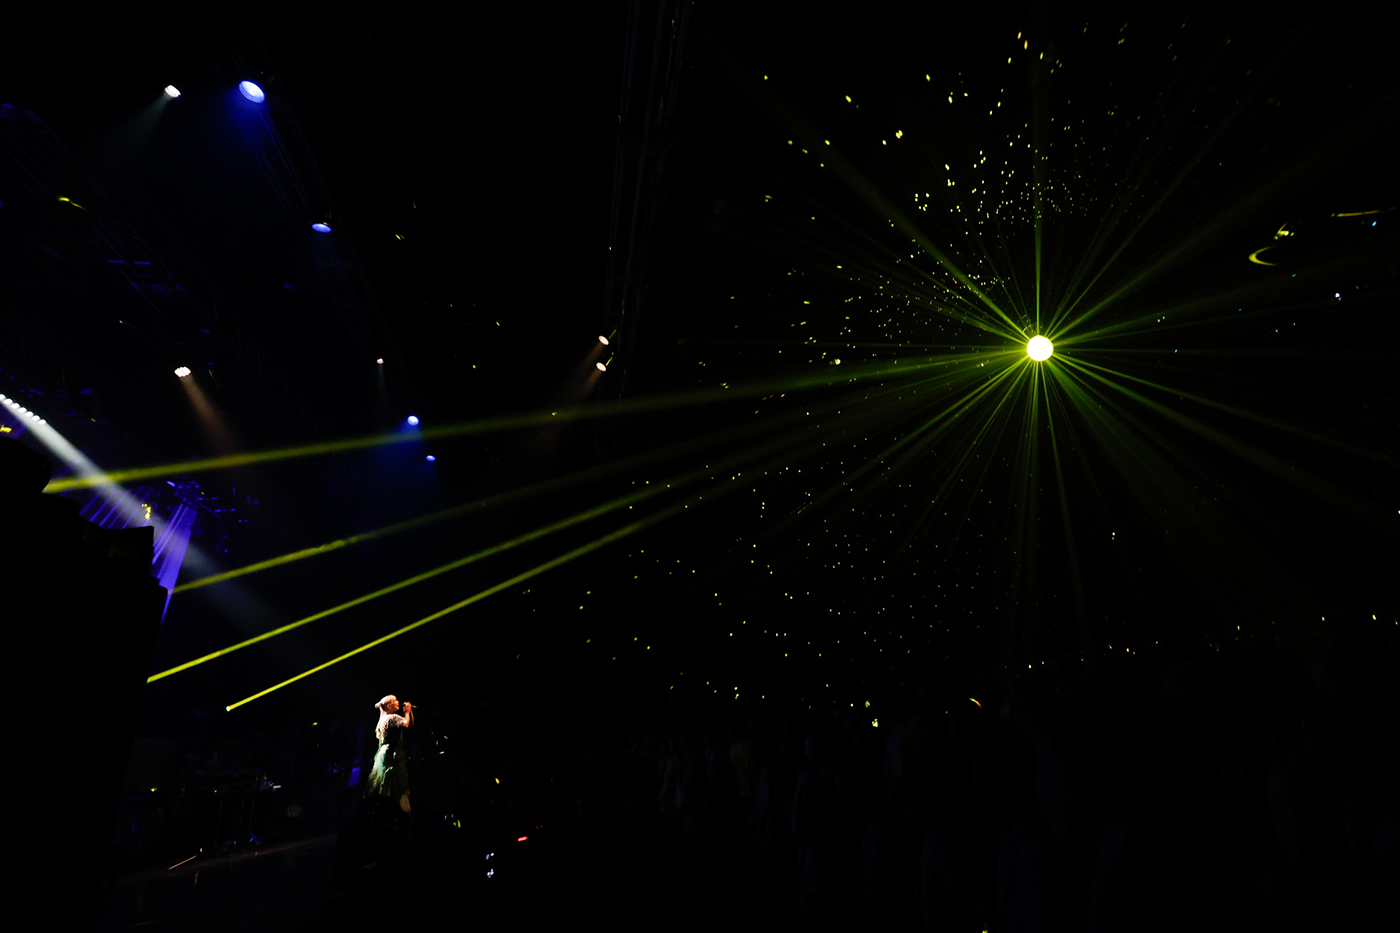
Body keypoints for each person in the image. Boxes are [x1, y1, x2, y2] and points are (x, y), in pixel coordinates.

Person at [370, 694, 413, 812]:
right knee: (395, 783)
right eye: (395, 701)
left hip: (384, 752)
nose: (398, 702)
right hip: (392, 753)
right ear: (389, 706)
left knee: (386, 783)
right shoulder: (392, 718)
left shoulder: (384, 719)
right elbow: (406, 724)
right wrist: (407, 712)